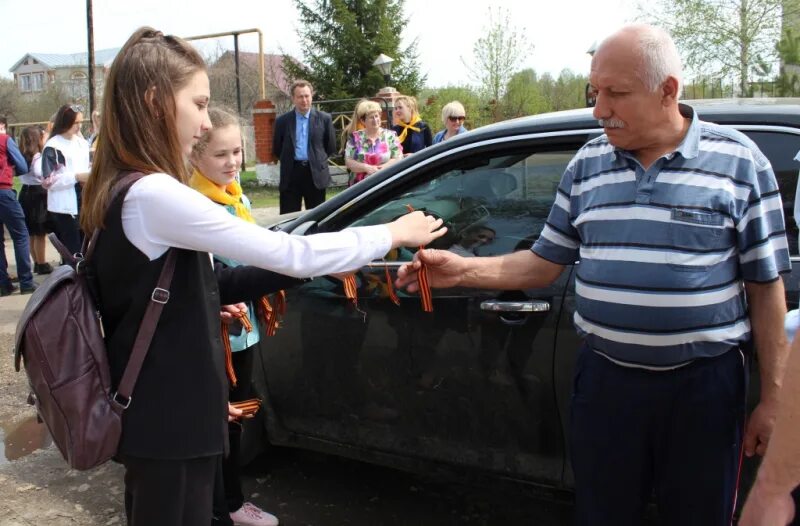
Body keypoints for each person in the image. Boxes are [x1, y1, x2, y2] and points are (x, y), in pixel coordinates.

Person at [397, 24, 790, 525]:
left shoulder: (739, 163)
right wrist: (462, 271)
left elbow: (765, 286)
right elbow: (544, 262)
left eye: (616, 94)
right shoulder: (587, 164)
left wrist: (774, 399)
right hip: (606, 384)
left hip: (704, 390)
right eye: (594, 91)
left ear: (667, 90)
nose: (599, 108)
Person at [79, 27, 445, 526]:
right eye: (200, 103)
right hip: (168, 420)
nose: (206, 122)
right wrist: (390, 231)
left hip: (170, 415)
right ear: (155, 102)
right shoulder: (153, 196)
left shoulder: (130, 188)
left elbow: (203, 286)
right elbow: (287, 252)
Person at [188, 106, 282, 526]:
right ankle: (226, 503)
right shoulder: (196, 204)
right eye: (221, 154)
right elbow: (211, 272)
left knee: (239, 411)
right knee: (220, 421)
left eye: (238, 152)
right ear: (196, 157)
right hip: (217, 335)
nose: (232, 162)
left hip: (243, 331)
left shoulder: (236, 196)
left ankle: (226, 498)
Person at [272, 80, 337, 214]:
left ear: (312, 96)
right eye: (300, 96)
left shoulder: (324, 119)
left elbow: (329, 146)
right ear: (293, 98)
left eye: (307, 96)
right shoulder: (282, 121)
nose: (304, 100)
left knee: (316, 217)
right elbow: (277, 148)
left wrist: (316, 158)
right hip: (291, 173)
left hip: (315, 174)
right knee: (288, 216)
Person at [42, 104, 90, 256]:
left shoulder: (82, 143)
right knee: (71, 250)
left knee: (85, 247)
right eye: (75, 123)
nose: (79, 126)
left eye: (81, 122)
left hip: (84, 201)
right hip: (64, 206)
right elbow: (49, 180)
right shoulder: (53, 146)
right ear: (65, 121)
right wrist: (76, 177)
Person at [0, 116, 35, 295]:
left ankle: (2, 284)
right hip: (3, 191)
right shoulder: (5, 140)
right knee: (20, 236)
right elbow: (22, 165)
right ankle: (26, 281)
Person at [18, 126, 53, 275]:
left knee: (32, 232)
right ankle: (42, 263)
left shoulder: (21, 156)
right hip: (37, 193)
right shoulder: (38, 156)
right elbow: (40, 172)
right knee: (40, 233)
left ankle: (37, 262)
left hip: (25, 192)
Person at [344, 99, 403, 186]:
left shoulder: (390, 136)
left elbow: (398, 157)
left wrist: (383, 168)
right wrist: (366, 168)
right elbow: (349, 161)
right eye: (371, 117)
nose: (375, 120)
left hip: (386, 181)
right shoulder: (355, 138)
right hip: (359, 185)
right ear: (363, 121)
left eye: (377, 116)